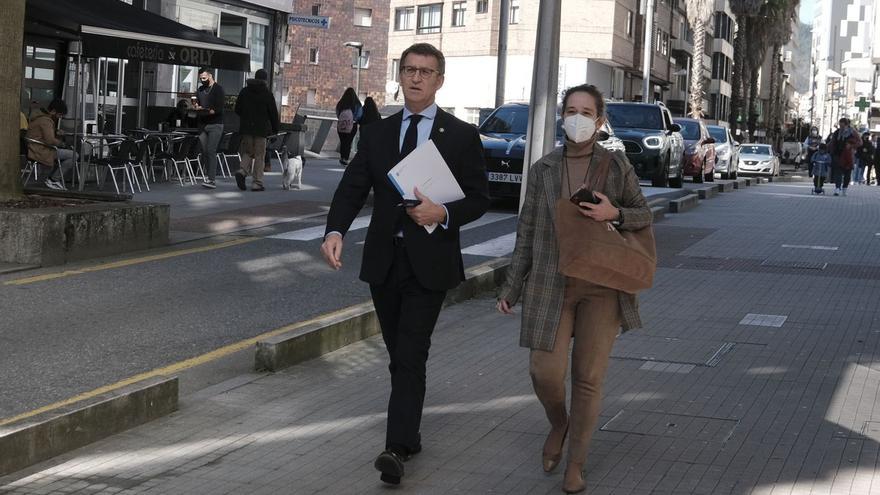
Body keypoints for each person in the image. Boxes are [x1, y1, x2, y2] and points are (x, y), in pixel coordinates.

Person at [320, 43, 489, 486]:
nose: (416, 78)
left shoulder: (460, 135)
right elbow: (353, 186)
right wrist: (335, 230)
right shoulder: (377, 132)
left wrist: (443, 214)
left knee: (412, 351)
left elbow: (479, 198)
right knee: (398, 354)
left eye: (426, 72)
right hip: (384, 260)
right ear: (400, 74)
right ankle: (409, 433)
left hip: (430, 262)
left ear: (439, 80)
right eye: (410, 70)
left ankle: (395, 449)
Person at [496, 84, 653, 494]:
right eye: (571, 111)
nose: (578, 119)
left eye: (586, 112)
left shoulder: (617, 166)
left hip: (602, 285)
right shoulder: (544, 168)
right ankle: (558, 423)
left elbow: (643, 215)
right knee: (544, 372)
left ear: (600, 121)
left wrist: (613, 212)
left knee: (587, 378)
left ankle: (576, 465)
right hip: (551, 282)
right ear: (562, 116)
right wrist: (512, 287)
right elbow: (527, 230)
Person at [233, 68, 280, 192]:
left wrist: (246, 118)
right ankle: (257, 183)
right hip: (261, 130)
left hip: (246, 129)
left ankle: (242, 171)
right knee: (259, 155)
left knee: (248, 152)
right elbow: (273, 114)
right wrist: (275, 129)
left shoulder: (244, 91)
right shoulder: (267, 94)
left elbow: (237, 109)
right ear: (265, 80)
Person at [26, 98, 77, 190]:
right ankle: (53, 179)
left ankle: (53, 178)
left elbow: (44, 136)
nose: (59, 117)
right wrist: (63, 144)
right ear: (53, 111)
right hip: (41, 150)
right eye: (59, 114)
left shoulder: (39, 118)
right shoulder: (46, 121)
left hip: (35, 148)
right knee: (73, 155)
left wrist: (56, 133)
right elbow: (50, 140)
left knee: (67, 154)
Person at [193, 67, 225, 189]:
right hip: (202, 124)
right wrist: (195, 105)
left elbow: (219, 108)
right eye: (200, 78)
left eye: (204, 78)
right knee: (205, 151)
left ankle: (212, 179)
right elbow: (196, 101)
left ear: (210, 76)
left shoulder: (218, 89)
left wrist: (208, 110)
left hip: (215, 124)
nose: (202, 80)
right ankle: (208, 176)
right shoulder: (201, 89)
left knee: (211, 150)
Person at [828, 118, 861, 196]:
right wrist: (827, 149)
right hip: (838, 154)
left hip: (848, 155)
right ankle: (837, 188)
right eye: (840, 125)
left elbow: (860, 142)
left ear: (846, 125)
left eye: (842, 126)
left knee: (847, 173)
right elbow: (832, 142)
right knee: (838, 172)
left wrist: (851, 146)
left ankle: (844, 188)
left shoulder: (852, 132)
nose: (841, 128)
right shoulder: (837, 132)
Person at [335, 87, 362, 165]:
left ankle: (342, 157)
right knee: (348, 141)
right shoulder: (357, 104)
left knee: (343, 141)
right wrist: (354, 120)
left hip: (341, 124)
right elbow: (359, 114)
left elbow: (337, 113)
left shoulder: (341, 103)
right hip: (352, 125)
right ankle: (345, 158)